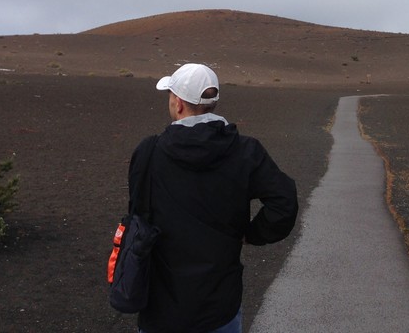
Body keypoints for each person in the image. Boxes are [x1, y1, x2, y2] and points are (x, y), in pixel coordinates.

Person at [127, 63, 298, 333]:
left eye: (171, 95)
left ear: (179, 104)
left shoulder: (149, 152)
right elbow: (284, 203)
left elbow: (137, 216)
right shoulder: (245, 152)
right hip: (219, 305)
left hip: (161, 306)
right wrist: (252, 233)